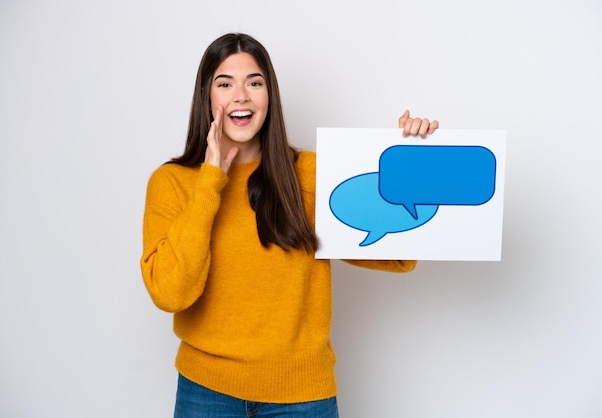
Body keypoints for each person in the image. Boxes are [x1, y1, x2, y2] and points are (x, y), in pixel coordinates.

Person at [140, 32, 439, 418]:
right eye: (225, 83)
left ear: (270, 96)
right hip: (205, 394)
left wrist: (416, 162)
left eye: (255, 83)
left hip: (302, 399)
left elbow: (397, 257)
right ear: (206, 97)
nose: (241, 95)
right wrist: (211, 180)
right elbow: (170, 293)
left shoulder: (312, 174)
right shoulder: (173, 183)